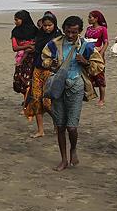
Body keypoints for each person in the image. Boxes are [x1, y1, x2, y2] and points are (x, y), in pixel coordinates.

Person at [41, 15, 96, 171]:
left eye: (74, 32)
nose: (71, 35)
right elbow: (44, 59)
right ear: (63, 29)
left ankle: (73, 149)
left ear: (80, 31)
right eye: (68, 32)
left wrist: (85, 62)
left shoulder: (86, 46)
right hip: (58, 87)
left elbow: (98, 66)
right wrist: (51, 63)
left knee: (72, 127)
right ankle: (64, 159)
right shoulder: (54, 44)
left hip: (76, 86)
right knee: (60, 126)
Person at [23, 13, 61, 138]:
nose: (47, 28)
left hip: (50, 71)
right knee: (36, 100)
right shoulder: (39, 35)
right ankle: (40, 130)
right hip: (37, 70)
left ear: (54, 25)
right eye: (45, 25)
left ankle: (57, 123)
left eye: (50, 25)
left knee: (47, 102)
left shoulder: (58, 38)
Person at [11, 10, 39, 102]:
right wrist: (28, 45)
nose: (15, 22)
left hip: (32, 58)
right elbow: (15, 47)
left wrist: (30, 47)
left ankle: (27, 103)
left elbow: (38, 43)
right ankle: (26, 100)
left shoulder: (35, 30)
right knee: (20, 81)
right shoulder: (15, 31)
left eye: (17, 20)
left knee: (29, 81)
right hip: (21, 59)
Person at [85, 10, 109, 107]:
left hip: (97, 56)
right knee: (89, 75)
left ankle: (102, 99)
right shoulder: (88, 29)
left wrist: (101, 53)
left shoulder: (102, 29)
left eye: (90, 17)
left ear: (96, 19)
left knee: (100, 78)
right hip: (89, 54)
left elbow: (106, 42)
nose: (88, 19)